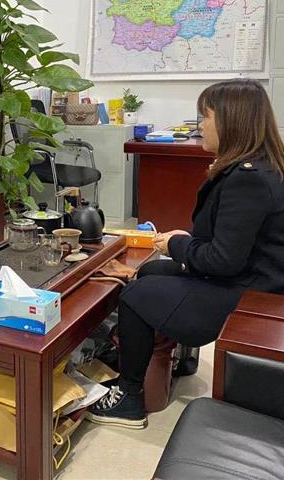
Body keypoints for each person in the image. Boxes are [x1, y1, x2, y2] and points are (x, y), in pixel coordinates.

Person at [87, 79, 284, 429]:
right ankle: (183, 360)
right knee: (151, 272)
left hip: (250, 294)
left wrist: (176, 245)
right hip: (251, 279)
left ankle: (129, 398)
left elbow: (223, 261)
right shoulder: (256, 166)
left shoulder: (248, 179)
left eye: (205, 117)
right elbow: (231, 240)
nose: (200, 126)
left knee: (137, 295)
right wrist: (186, 240)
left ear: (231, 122)